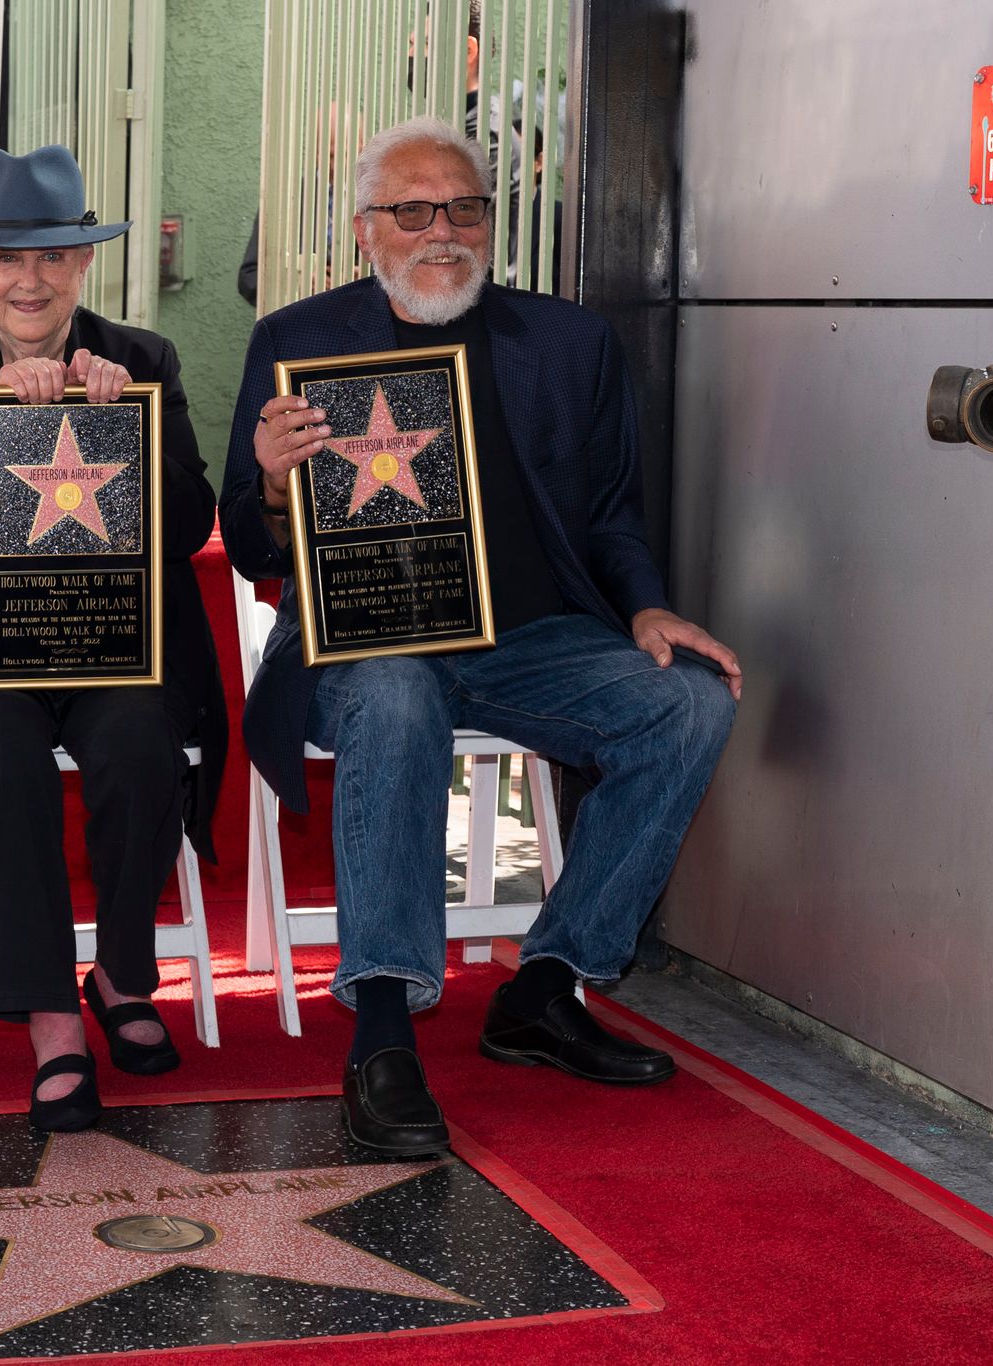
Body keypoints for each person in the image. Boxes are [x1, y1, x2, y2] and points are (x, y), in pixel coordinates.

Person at [220, 115, 741, 1157]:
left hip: (527, 639)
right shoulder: (297, 339)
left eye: (461, 207)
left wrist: (642, 604)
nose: (439, 230)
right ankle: (380, 1029)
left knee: (690, 699)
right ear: (366, 230)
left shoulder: (568, 341)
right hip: (357, 644)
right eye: (410, 210)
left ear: (489, 225)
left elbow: (609, 515)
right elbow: (244, 540)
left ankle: (545, 987)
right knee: (399, 689)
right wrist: (275, 485)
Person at [0, 146, 228, 1132]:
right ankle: (51, 1018)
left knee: (138, 741)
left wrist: (129, 428)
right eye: (3, 258)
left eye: (52, 259)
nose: (28, 280)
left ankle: (118, 970)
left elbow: (191, 522)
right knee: (4, 752)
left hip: (108, 641)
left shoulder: (143, 359)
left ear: (82, 265)